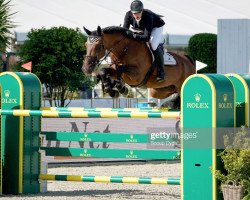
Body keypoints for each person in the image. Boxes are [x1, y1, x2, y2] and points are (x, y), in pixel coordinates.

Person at [123, 0, 166, 82]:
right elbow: (125, 31)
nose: (136, 15)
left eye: (139, 12)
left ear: (142, 10)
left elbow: (146, 37)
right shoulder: (128, 15)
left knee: (153, 45)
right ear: (131, 12)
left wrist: (133, 35)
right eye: (134, 13)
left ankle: (161, 72)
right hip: (141, 27)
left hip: (156, 27)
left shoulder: (148, 16)